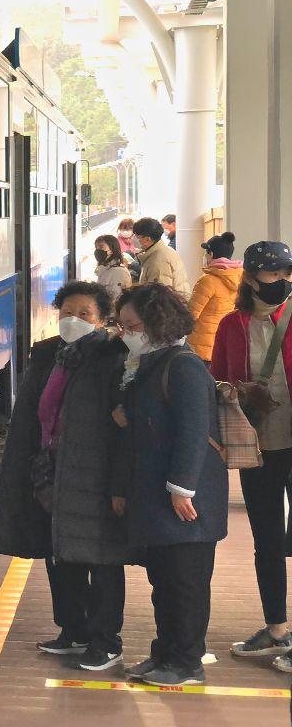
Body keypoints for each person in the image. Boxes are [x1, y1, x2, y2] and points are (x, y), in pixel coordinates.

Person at [0, 281, 131, 671]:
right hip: (51, 472)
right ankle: (73, 629)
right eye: (67, 313)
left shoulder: (113, 357)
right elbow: (33, 417)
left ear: (103, 319)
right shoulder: (49, 354)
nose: (74, 320)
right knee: (60, 553)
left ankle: (106, 639)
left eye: (84, 314)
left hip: (93, 474)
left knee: (101, 557)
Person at [114, 283, 228, 685]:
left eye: (131, 325)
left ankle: (187, 661)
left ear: (157, 322)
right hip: (159, 495)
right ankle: (165, 652)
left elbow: (194, 431)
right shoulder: (154, 363)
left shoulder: (184, 365)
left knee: (186, 583)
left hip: (187, 500)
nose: (125, 333)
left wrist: (182, 487)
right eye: (122, 325)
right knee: (164, 580)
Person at [209, 240, 292, 670]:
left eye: (285, 273)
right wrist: (231, 391)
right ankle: (276, 628)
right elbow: (218, 376)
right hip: (257, 446)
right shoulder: (231, 325)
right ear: (252, 277)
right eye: (272, 274)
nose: (281, 281)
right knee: (267, 540)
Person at [188, 232, 242, 362]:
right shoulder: (240, 278)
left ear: (210, 254)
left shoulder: (207, 281)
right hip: (224, 341)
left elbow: (191, 315)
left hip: (201, 345)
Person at [133, 216, 191, 296]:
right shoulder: (161, 251)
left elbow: (159, 297)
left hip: (167, 307)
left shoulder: (158, 261)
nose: (135, 239)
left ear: (147, 239)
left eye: (137, 236)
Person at [93, 234, 133, 302]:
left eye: (101, 247)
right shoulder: (104, 268)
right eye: (96, 247)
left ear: (112, 249)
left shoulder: (119, 271)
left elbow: (115, 298)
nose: (98, 250)